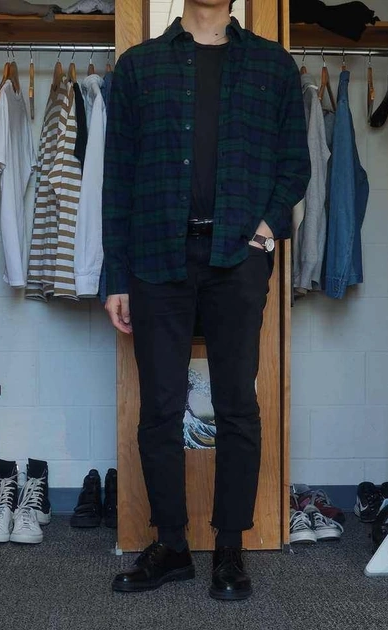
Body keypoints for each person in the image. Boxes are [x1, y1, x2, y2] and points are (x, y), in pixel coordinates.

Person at [102, 0, 310, 601]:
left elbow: (294, 165)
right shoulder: (138, 67)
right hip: (155, 258)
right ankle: (170, 545)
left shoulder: (273, 66)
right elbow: (118, 178)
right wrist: (117, 276)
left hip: (238, 260)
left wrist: (264, 233)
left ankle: (229, 549)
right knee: (160, 409)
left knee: (237, 405)